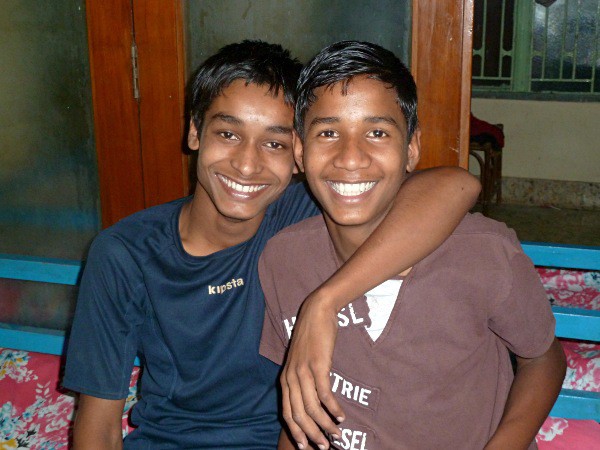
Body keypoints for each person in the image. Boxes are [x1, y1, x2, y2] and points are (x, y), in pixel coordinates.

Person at [63, 40, 480, 449]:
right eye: (228, 133)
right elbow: (98, 427)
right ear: (194, 131)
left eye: (274, 143)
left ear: (298, 153)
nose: (247, 164)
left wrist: (324, 303)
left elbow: (455, 185)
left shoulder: (311, 212)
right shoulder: (126, 253)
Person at [259, 40, 567, 450]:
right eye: (329, 132)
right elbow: (300, 413)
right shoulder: (285, 260)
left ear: (411, 149)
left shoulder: (482, 254)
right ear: (299, 150)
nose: (351, 157)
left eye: (377, 133)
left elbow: (543, 359)